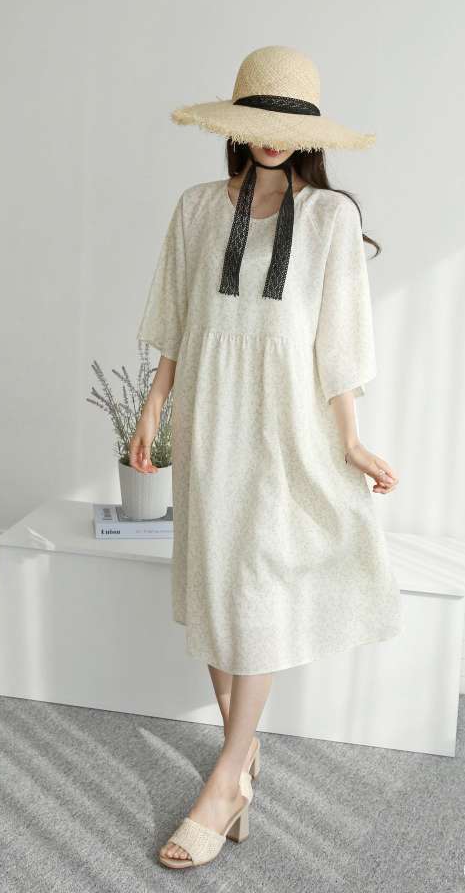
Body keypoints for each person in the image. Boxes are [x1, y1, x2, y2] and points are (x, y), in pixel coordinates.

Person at [129, 45, 404, 870]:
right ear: (236, 126)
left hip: (287, 425)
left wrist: (349, 439)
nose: (271, 138)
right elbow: (177, 317)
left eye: (286, 125)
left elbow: (339, 340)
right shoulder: (196, 208)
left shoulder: (330, 218)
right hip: (210, 418)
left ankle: (222, 784)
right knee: (219, 585)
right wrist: (153, 406)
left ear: (310, 134)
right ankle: (242, 759)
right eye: (256, 122)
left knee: (255, 591)